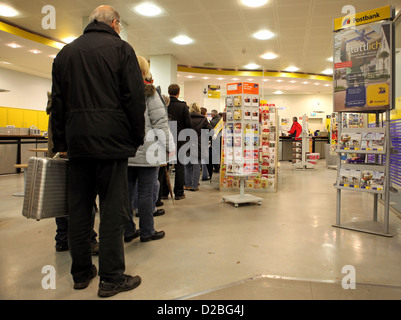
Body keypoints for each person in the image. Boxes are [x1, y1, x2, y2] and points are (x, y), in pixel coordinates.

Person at [51, 5, 146, 298]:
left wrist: (62, 144)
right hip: (111, 144)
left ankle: (81, 274)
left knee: (79, 211)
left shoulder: (65, 54)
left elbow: (57, 103)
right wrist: (136, 137)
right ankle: (111, 278)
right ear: (115, 23)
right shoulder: (121, 49)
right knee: (112, 211)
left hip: (78, 145)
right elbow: (133, 98)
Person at [125, 56, 174, 243]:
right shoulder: (150, 93)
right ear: (145, 72)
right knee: (146, 192)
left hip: (125, 151)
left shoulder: (118, 91)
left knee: (126, 193)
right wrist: (170, 148)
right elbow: (161, 124)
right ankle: (147, 231)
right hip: (148, 151)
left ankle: (128, 231)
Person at [46, 92, 99, 254]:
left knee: (61, 199)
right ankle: (88, 240)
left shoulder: (55, 104)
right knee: (83, 200)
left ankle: (62, 239)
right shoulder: (73, 103)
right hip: (75, 156)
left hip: (57, 156)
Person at [167, 84, 192, 200]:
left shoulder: (164, 105)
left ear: (168, 92)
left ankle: (163, 192)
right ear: (178, 92)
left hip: (165, 139)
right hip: (180, 139)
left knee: (164, 166)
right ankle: (179, 192)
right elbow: (189, 125)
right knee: (180, 167)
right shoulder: (183, 106)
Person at [184, 102, 213, 191]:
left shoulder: (186, 118)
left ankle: (187, 185)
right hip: (198, 145)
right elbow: (211, 130)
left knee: (187, 166)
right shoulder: (203, 120)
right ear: (198, 110)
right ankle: (194, 185)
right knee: (196, 166)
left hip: (187, 144)